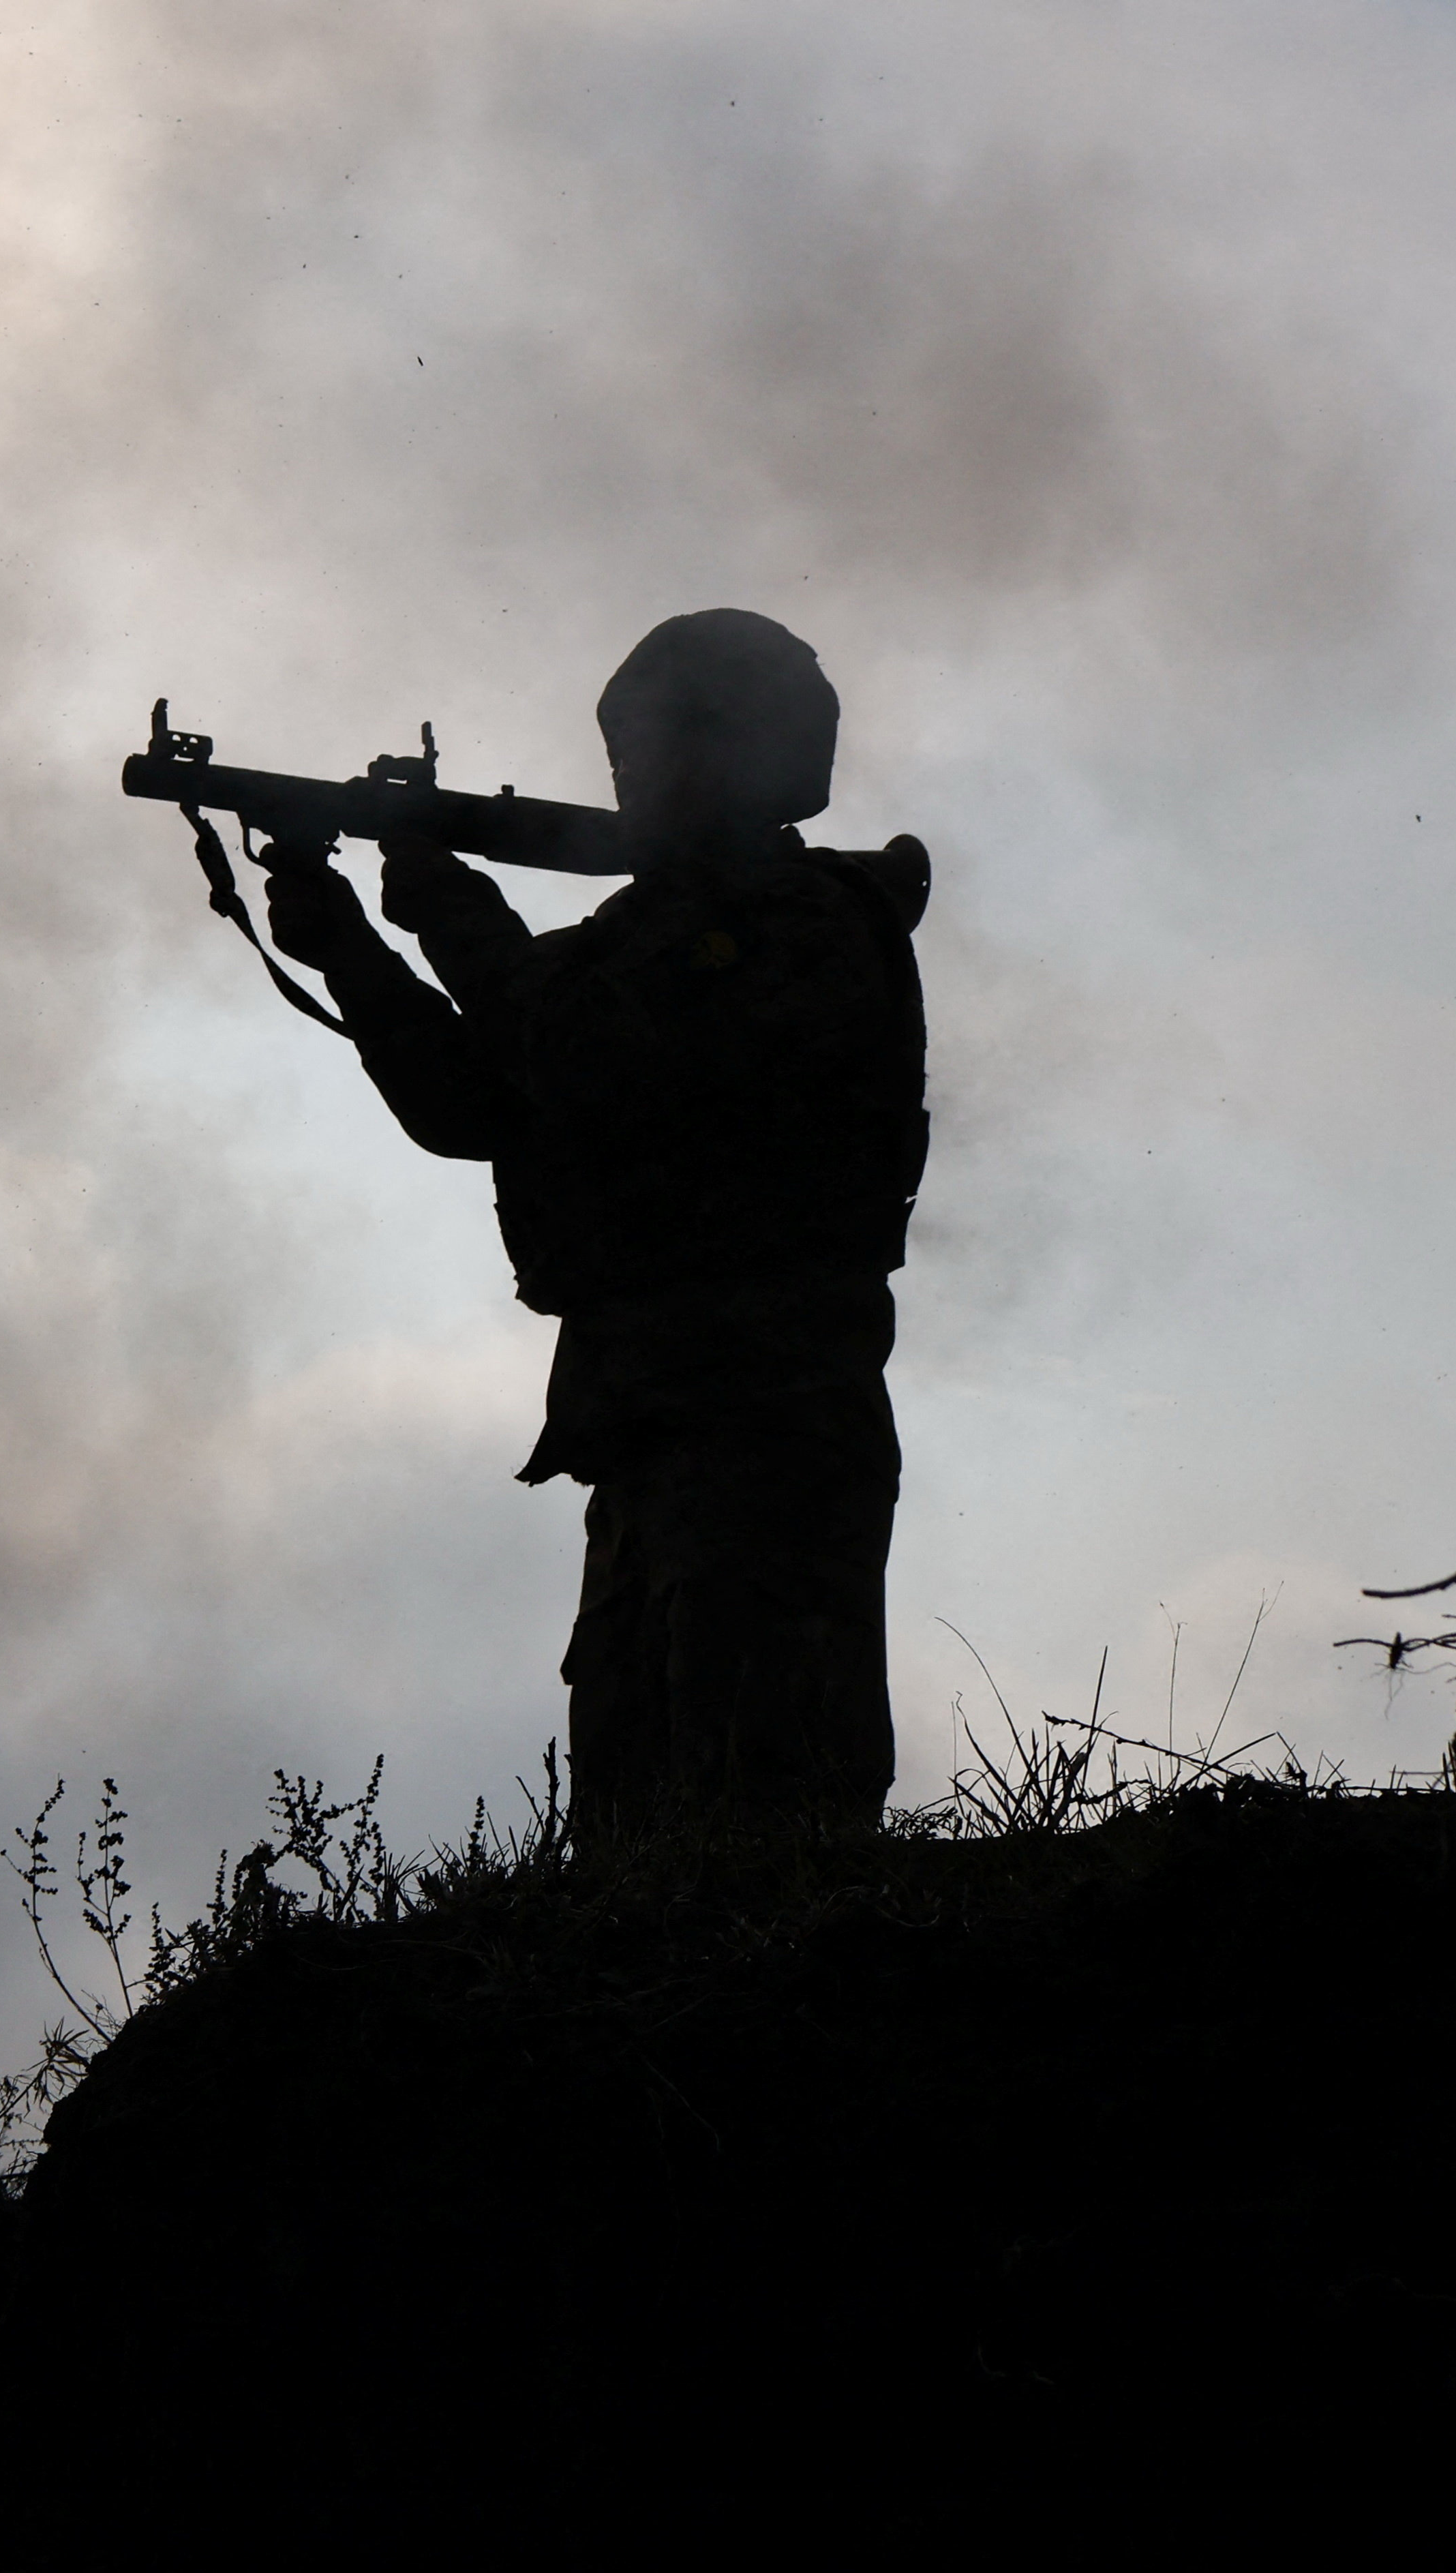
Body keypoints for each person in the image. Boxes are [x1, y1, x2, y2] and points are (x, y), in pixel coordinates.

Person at [258, 610, 927, 1836]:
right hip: (649, 1426)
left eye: (657, 748)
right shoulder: (648, 935)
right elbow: (476, 1103)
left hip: (767, 1422)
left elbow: (561, 1043)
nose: (631, 780)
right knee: (634, 1838)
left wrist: (441, 902)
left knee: (767, 1817)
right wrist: (345, 938)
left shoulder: (805, 921)